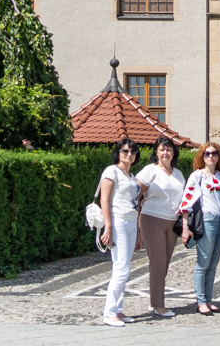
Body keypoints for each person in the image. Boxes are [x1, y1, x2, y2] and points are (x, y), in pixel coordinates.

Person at [180, 142, 220, 316]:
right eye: (207, 153)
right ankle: (201, 301)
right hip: (207, 220)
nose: (210, 156)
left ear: (219, 156)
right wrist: (185, 226)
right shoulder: (198, 176)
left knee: (213, 264)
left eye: (214, 153)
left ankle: (209, 299)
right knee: (203, 263)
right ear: (202, 156)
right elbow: (187, 201)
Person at [134, 135, 186, 318]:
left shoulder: (178, 174)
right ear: (156, 152)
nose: (166, 152)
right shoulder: (149, 171)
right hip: (151, 219)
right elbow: (135, 197)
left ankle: (153, 301)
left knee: (164, 264)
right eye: (162, 149)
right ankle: (159, 305)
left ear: (174, 152)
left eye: (169, 149)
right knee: (157, 262)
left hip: (172, 222)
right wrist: (137, 226)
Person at [98, 138, 144, 327]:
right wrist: (108, 226)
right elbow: (105, 200)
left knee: (125, 268)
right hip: (118, 222)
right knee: (121, 268)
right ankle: (109, 313)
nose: (129, 154)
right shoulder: (112, 171)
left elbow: (137, 204)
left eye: (132, 152)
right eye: (125, 151)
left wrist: (139, 231)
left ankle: (117, 309)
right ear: (118, 152)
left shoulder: (131, 176)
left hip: (132, 222)